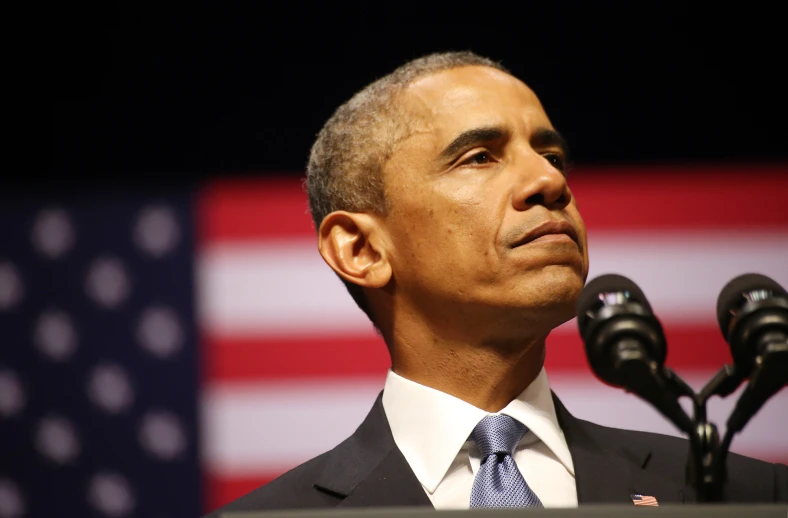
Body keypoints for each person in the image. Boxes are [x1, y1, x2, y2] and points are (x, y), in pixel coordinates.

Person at [205, 51, 787, 515]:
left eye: (552, 155)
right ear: (361, 249)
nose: (548, 181)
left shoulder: (744, 496)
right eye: (480, 157)